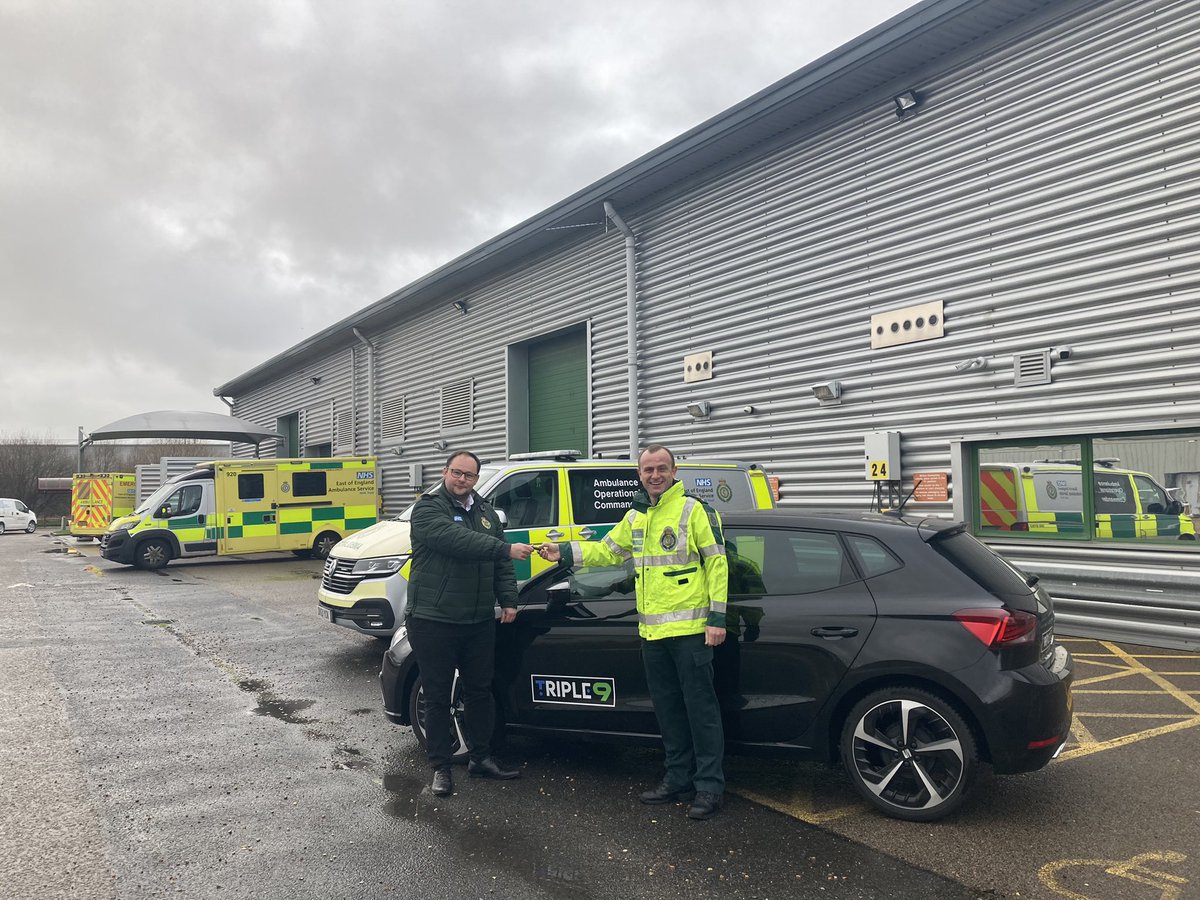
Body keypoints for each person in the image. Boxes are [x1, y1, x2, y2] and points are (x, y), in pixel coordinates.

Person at [538, 444, 728, 819]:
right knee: (669, 711)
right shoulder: (636, 515)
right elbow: (607, 551)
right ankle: (677, 779)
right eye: (647, 470)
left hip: (691, 632)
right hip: (652, 634)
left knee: (701, 712)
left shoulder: (694, 510)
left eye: (661, 468)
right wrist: (562, 552)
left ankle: (709, 787)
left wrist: (716, 619)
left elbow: (717, 563)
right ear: (639, 475)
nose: (654, 475)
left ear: (674, 471)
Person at [407, 449, 535, 797]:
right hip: (434, 619)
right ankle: (441, 767)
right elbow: (455, 541)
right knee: (437, 697)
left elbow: (500, 563)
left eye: (469, 475)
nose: (462, 480)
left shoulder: (486, 513)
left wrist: (508, 599)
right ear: (445, 472)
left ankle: (481, 758)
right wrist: (503, 550)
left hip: (477, 620)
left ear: (477, 479)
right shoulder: (428, 508)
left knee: (480, 692)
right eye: (457, 473)